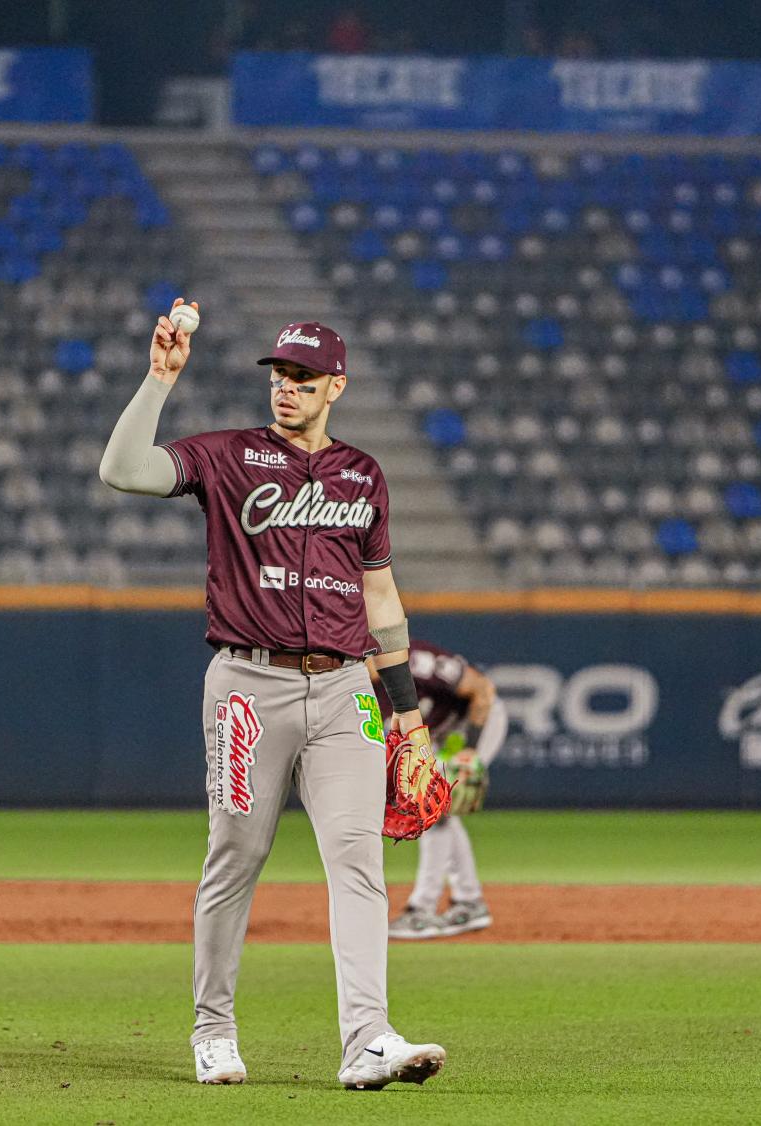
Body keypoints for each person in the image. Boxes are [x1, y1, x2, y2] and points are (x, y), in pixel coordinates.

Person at [99, 300, 449, 1091]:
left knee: (358, 863)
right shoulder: (227, 457)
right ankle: (212, 1031)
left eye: (302, 377)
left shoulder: (363, 475)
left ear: (337, 386)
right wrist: (158, 382)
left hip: (344, 690)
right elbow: (122, 470)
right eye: (278, 374)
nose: (284, 387)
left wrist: (411, 718)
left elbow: (383, 599)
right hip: (247, 684)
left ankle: (367, 1040)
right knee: (236, 856)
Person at [377, 641, 506, 940]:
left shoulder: (416, 663)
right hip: (435, 734)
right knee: (438, 812)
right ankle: (469, 901)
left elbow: (483, 690)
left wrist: (470, 751)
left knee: (434, 811)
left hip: (472, 724)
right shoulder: (353, 685)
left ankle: (422, 910)